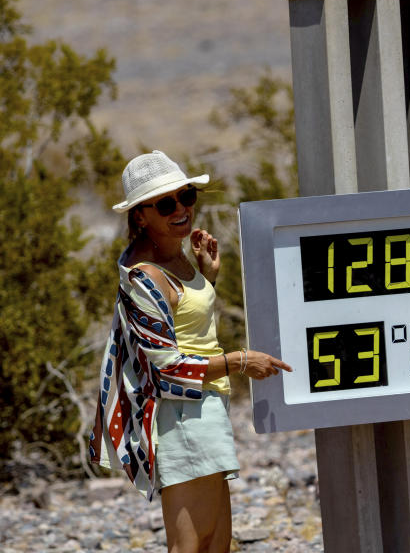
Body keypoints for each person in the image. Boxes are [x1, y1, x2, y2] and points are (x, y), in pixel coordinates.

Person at [89, 150, 292, 553]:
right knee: (192, 546)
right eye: (166, 204)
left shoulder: (172, 252)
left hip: (203, 409)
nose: (181, 209)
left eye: (187, 196)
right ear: (140, 216)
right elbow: (168, 371)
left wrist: (207, 277)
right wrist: (239, 361)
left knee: (216, 542)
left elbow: (182, 327)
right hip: (181, 419)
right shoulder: (145, 276)